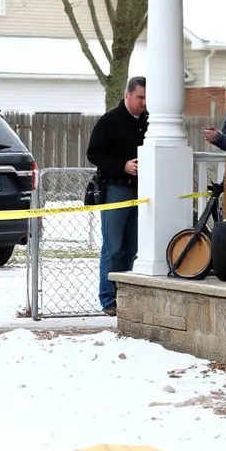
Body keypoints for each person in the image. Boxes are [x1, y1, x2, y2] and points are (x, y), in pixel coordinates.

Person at [86, 75, 148, 317]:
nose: (143, 103)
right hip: (116, 188)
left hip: (141, 191)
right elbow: (94, 154)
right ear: (127, 95)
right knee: (113, 247)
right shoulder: (109, 121)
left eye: (146, 98)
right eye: (140, 97)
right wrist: (123, 166)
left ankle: (126, 296)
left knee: (131, 248)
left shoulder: (149, 121)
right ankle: (109, 299)